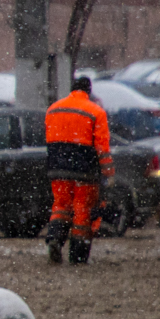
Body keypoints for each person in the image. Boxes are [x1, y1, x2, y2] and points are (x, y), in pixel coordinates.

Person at [43, 76, 113, 265]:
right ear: (88, 91)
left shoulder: (53, 109)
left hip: (57, 168)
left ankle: (55, 239)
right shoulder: (96, 112)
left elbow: (50, 139)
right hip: (85, 170)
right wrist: (108, 173)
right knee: (82, 210)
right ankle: (78, 255)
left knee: (61, 206)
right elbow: (102, 147)